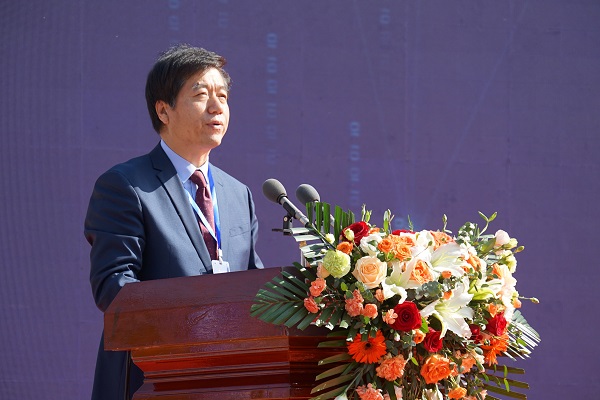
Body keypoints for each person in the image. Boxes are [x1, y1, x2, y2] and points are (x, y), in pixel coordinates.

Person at [84, 44, 264, 400]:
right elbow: (114, 287)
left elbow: (251, 285)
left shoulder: (237, 193)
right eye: (201, 95)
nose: (217, 107)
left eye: (223, 96)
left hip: (229, 379)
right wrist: (198, 322)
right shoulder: (126, 185)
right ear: (163, 110)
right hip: (152, 380)